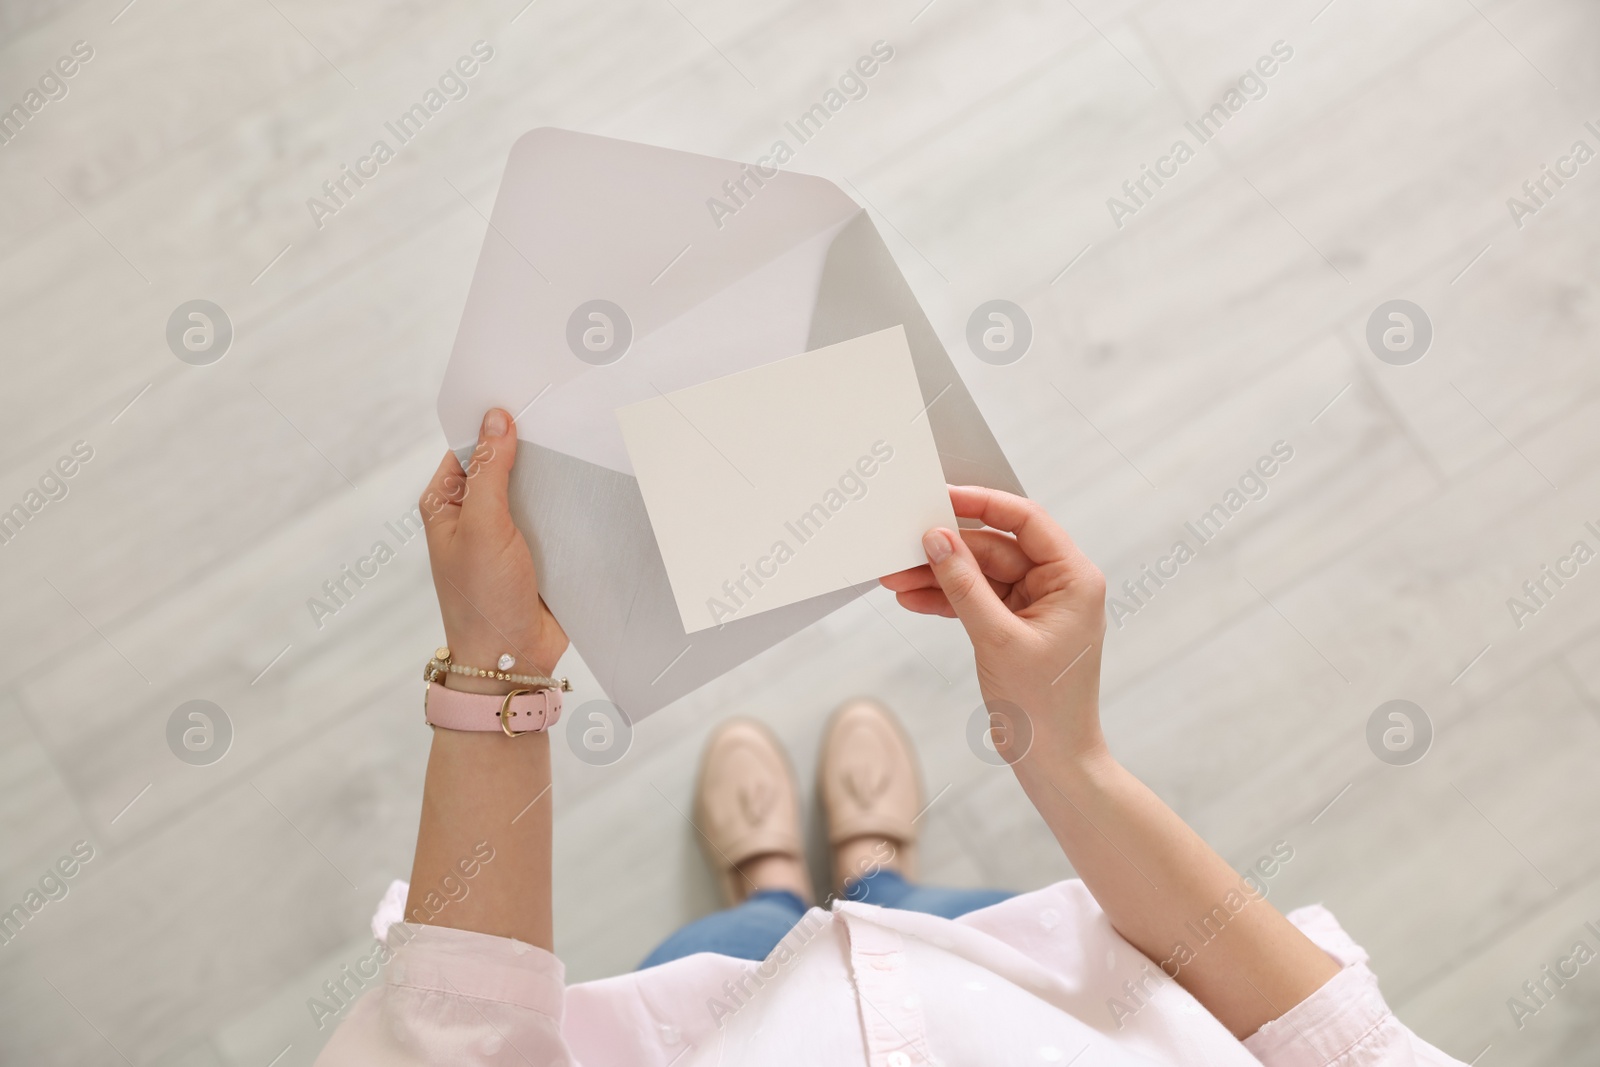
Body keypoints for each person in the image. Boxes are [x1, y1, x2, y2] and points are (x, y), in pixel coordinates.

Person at [316, 409, 1467, 1066]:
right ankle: (879, 875)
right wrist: (1064, 751)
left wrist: (497, 664)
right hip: (1052, 983)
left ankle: (766, 883)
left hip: (715, 1022)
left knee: (739, 935)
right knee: (922, 916)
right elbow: (1337, 1042)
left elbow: (456, 1044)